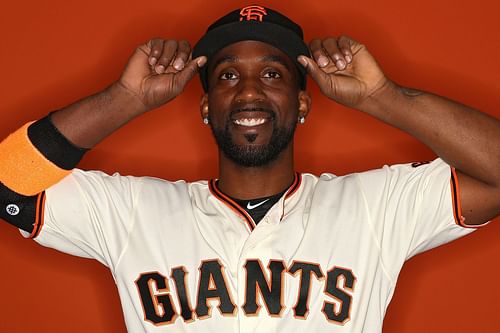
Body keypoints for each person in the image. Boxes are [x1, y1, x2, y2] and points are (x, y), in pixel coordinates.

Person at [0, 4, 499, 332]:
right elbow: (7, 185)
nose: (250, 91)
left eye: (272, 73)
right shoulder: (131, 211)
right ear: (205, 106)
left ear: (303, 103)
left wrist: (383, 98)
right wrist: (124, 99)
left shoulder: (378, 206)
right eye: (228, 75)